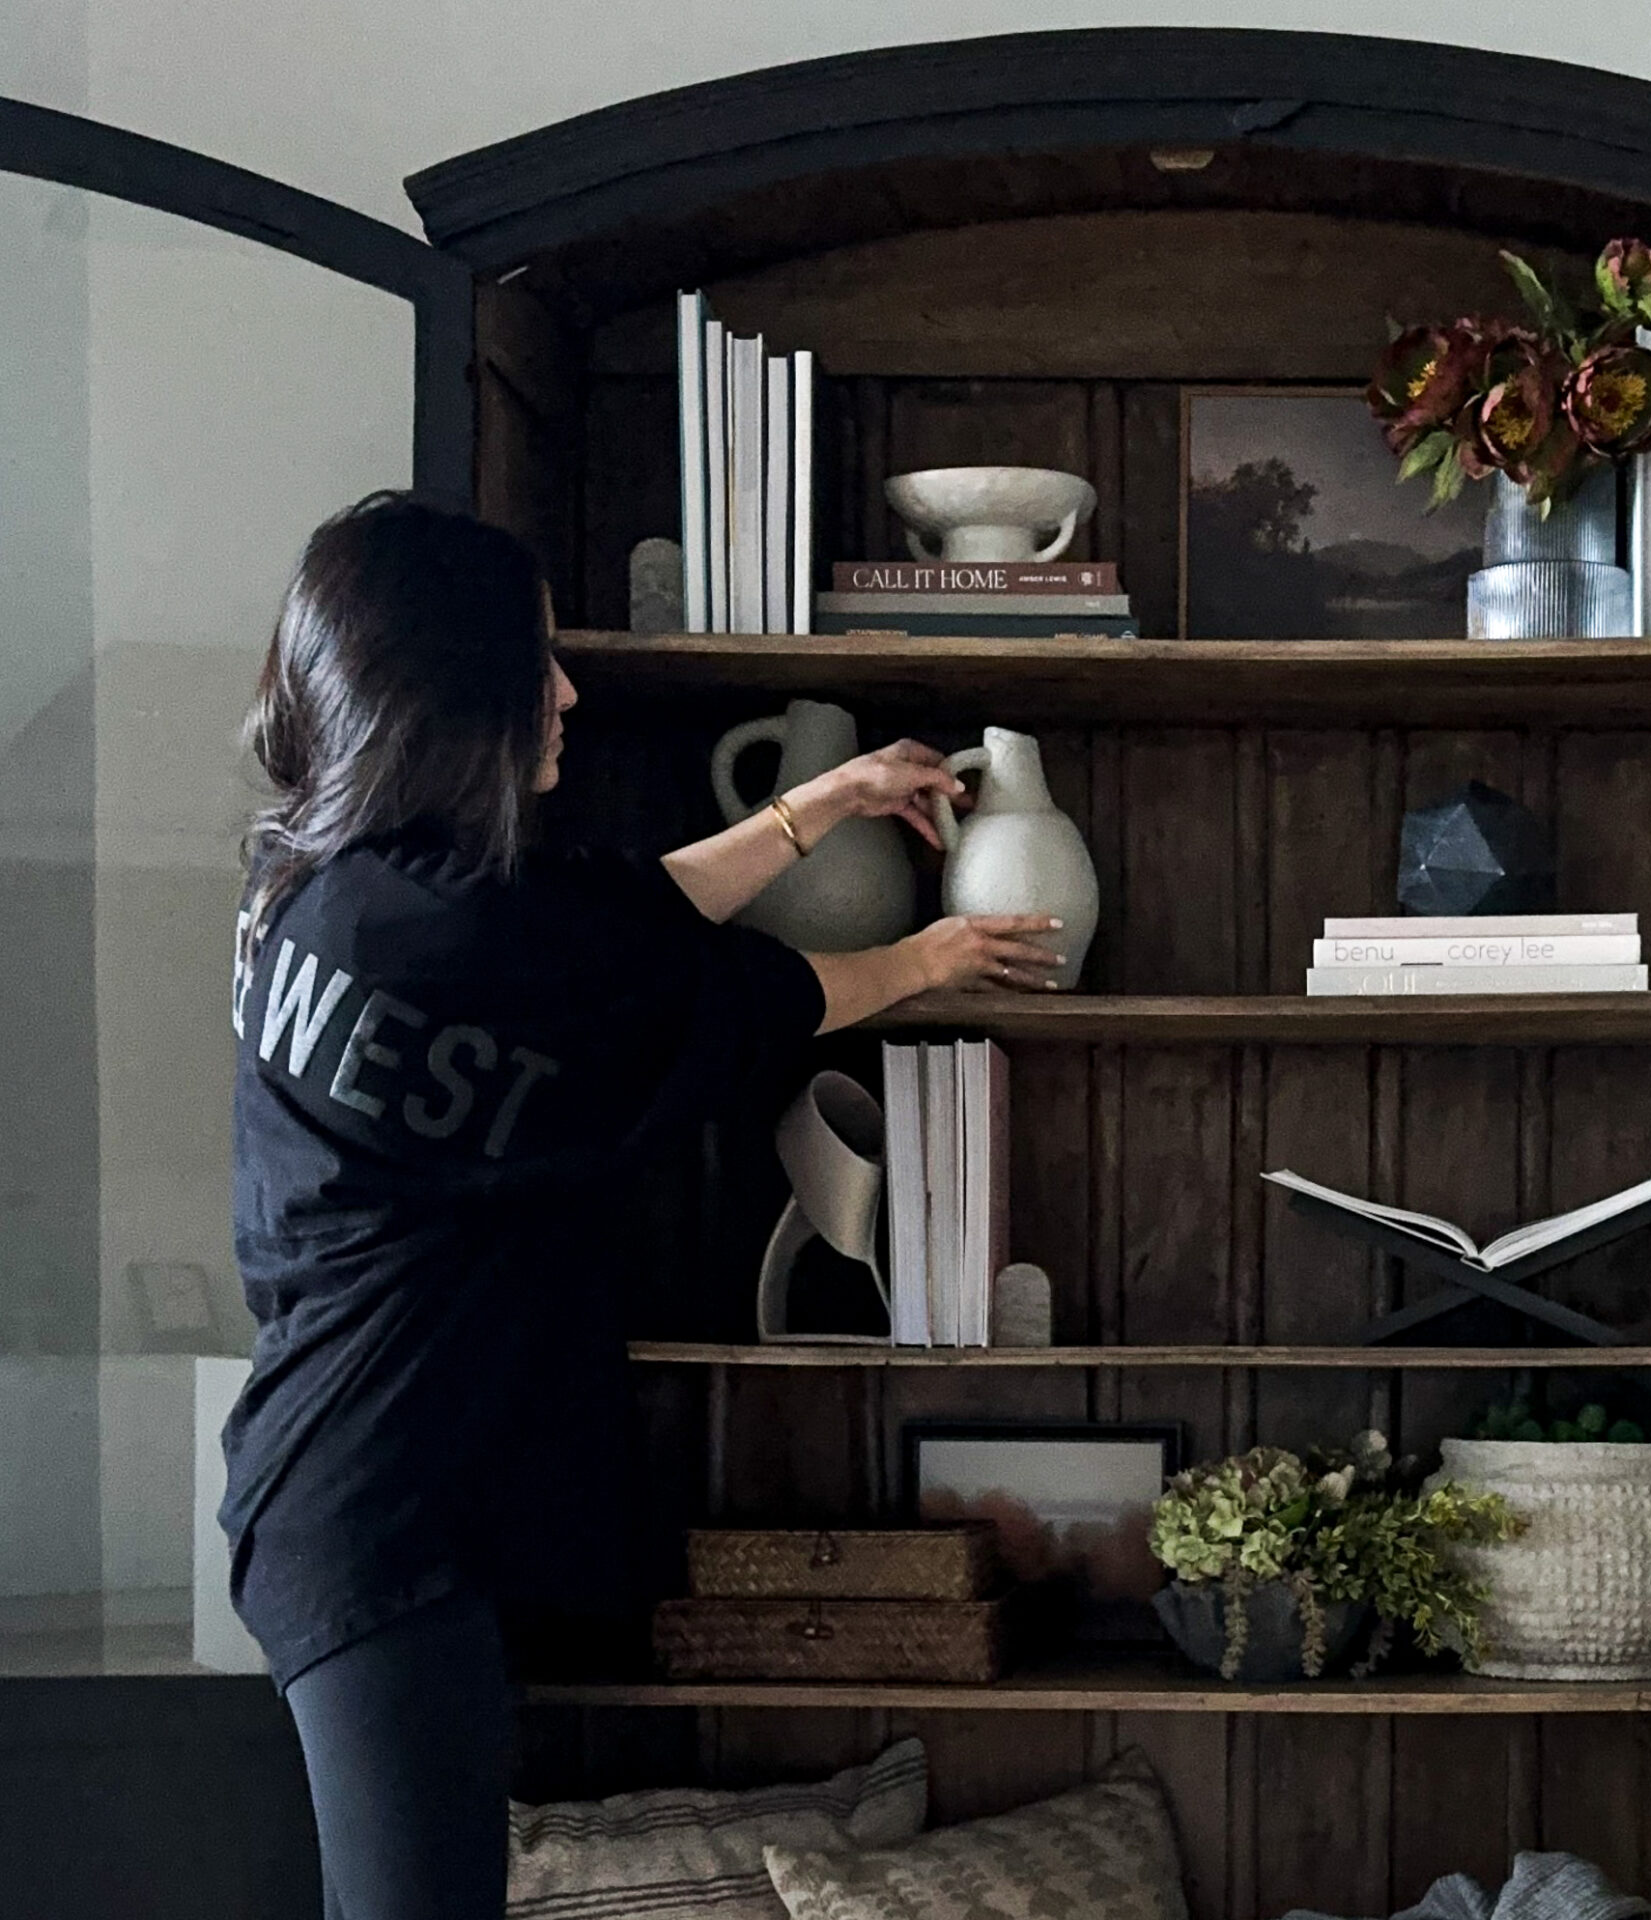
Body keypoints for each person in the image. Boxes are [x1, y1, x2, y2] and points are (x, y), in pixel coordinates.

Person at [219, 493, 1064, 1920]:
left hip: (343, 1490)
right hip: (383, 1524)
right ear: (448, 689)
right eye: (534, 663)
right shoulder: (452, 936)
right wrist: (925, 961)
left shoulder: (320, 884)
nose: (564, 691)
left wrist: (818, 807)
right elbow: (719, 1001)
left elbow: (606, 924)